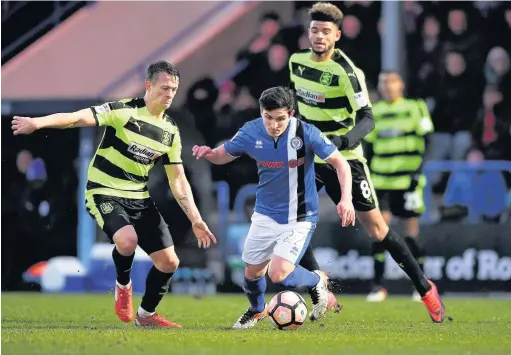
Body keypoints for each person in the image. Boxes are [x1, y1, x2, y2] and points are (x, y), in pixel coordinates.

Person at [11, 60, 216, 328]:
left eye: (174, 89)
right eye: (164, 88)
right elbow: (75, 118)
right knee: (127, 240)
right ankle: (123, 285)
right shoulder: (122, 111)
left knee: (169, 262)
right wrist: (37, 122)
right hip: (104, 191)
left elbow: (178, 180)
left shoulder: (170, 132)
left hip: (138, 197)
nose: (169, 94)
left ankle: (146, 316)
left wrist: (195, 219)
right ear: (148, 85)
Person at [288, 2, 445, 322]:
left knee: (377, 230)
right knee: (292, 222)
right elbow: (297, 103)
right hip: (311, 157)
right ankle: (320, 285)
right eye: (314, 30)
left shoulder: (348, 73)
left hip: (346, 159)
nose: (319, 36)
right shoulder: (296, 62)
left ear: (338, 36)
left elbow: (368, 119)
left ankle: (425, 289)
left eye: (326, 32)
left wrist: (344, 141)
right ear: (308, 33)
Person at [192, 86, 355, 329]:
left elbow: (341, 164)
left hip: (300, 216)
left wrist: (346, 199)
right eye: (268, 118)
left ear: (291, 113)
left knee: (278, 274)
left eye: (280, 119)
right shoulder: (251, 131)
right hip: (265, 214)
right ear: (261, 112)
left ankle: (316, 280)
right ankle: (257, 311)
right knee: (252, 273)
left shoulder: (307, 133)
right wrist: (209, 154)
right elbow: (224, 154)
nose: (274, 125)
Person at [365, 71, 434, 302]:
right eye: (383, 82)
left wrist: (417, 172)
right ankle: (378, 286)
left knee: (411, 234)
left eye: (391, 81)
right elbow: (369, 148)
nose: (387, 86)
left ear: (400, 84)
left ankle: (421, 285)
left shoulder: (416, 107)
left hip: (407, 181)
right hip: (381, 180)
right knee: (379, 232)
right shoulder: (375, 112)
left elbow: (427, 141)